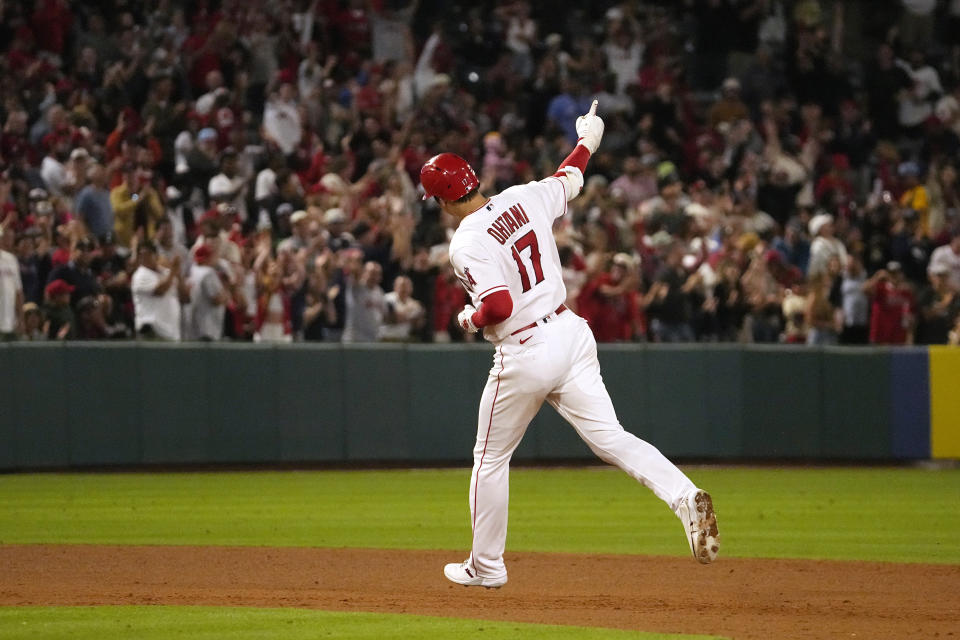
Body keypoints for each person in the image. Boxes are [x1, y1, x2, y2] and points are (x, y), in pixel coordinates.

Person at [420, 100, 718, 589]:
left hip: (525, 349)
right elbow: (571, 177)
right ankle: (685, 496)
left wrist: (468, 319)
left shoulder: (466, 241)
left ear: (441, 200)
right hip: (571, 333)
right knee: (612, 438)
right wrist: (588, 139)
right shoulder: (523, 196)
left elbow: (496, 306)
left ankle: (486, 567)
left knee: (489, 458)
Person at [131, 241, 184, 341]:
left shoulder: (166, 272)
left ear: (155, 255)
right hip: (152, 331)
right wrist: (173, 271)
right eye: (141, 255)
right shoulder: (140, 275)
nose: (144, 258)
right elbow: (160, 291)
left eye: (148, 254)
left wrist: (178, 272)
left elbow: (185, 297)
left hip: (171, 332)